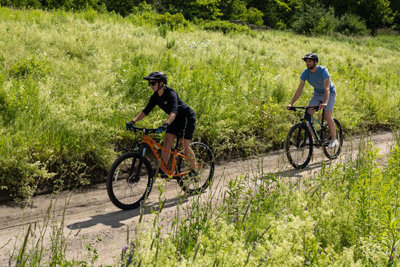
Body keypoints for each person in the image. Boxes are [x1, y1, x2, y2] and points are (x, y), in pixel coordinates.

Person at [126, 71, 197, 177]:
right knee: (167, 142)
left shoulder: (171, 93)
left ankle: (194, 169)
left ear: (161, 83)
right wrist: (133, 121)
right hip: (174, 119)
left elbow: (174, 111)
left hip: (187, 117)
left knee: (184, 145)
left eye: (153, 83)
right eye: (149, 83)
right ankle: (164, 170)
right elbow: (146, 111)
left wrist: (166, 124)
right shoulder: (155, 97)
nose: (151, 86)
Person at [287, 53, 339, 148]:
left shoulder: (323, 71)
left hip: (329, 93)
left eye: (310, 61)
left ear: (315, 62)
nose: (308, 63)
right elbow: (299, 89)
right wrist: (291, 103)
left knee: (327, 114)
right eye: (307, 61)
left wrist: (325, 102)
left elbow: (327, 88)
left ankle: (334, 139)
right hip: (317, 94)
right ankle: (310, 138)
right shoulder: (305, 73)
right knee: (308, 114)